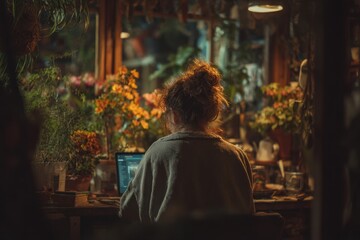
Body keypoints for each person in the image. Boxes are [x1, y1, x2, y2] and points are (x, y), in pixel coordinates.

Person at [119, 59, 255, 223]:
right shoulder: (236, 156)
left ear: (174, 115)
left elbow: (128, 210)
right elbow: (248, 215)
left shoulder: (157, 153)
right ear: (211, 113)